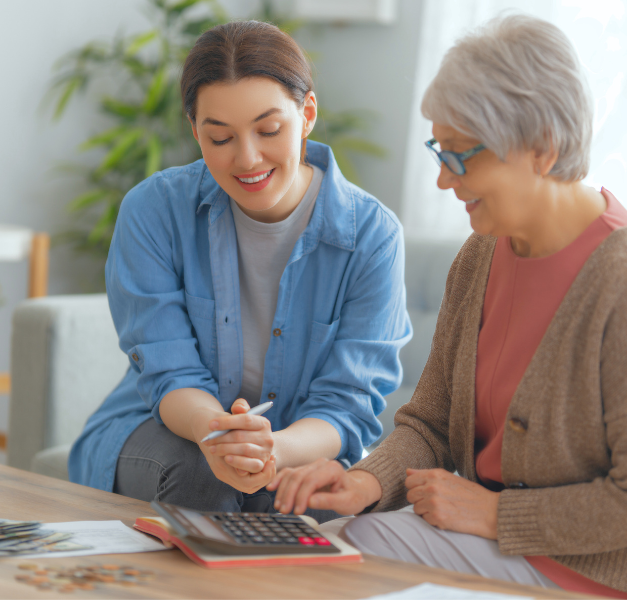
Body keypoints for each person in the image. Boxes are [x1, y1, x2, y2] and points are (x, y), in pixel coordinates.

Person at [268, 14, 627, 598]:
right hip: (494, 545)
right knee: (326, 543)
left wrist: (494, 517)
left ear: (542, 148)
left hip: (606, 568)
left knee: (329, 563)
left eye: (460, 157)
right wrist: (366, 479)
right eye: (438, 151)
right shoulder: (481, 254)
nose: (443, 180)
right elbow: (431, 423)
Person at [67, 20, 411, 522]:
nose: (246, 158)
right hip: (165, 432)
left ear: (307, 113)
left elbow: (348, 402)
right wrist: (220, 436)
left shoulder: (372, 236)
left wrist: (273, 449)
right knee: (204, 478)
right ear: (195, 131)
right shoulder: (153, 211)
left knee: (297, 499)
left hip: (297, 442)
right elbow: (169, 372)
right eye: (221, 137)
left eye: (268, 130)